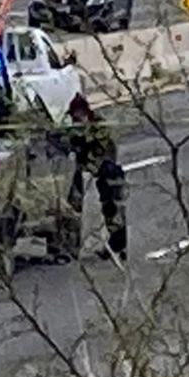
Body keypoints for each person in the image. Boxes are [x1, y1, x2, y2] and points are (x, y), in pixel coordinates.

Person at [65, 95, 127, 261]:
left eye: (77, 115)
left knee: (113, 209)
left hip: (107, 170)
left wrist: (88, 166)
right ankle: (71, 246)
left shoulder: (99, 126)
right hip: (91, 170)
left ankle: (118, 246)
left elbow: (101, 152)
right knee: (72, 206)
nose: (75, 119)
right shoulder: (75, 130)